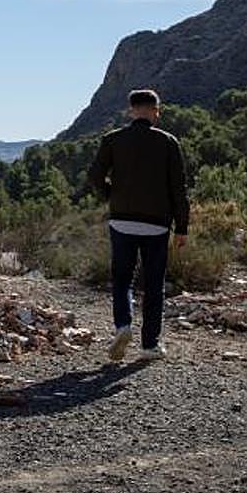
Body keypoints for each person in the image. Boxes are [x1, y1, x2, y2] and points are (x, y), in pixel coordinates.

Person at [87, 89, 190, 362]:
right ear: (156, 111)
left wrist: (112, 195)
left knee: (122, 279)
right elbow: (179, 189)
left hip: (121, 221)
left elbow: (95, 175)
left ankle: (123, 325)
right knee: (154, 284)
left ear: (131, 111)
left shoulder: (112, 140)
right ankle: (150, 345)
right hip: (157, 225)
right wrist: (182, 227)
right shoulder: (168, 142)